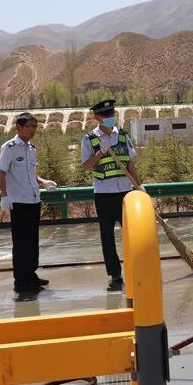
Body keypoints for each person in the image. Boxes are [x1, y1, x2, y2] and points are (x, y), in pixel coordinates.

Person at [80, 99, 141, 292]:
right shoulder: (89, 139)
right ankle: (115, 275)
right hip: (104, 194)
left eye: (111, 114)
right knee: (107, 236)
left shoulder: (122, 135)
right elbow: (87, 166)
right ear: (97, 117)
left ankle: (136, 269)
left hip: (125, 193)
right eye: (105, 115)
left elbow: (130, 164)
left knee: (132, 234)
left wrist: (139, 185)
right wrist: (100, 153)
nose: (110, 118)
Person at [0, 112, 58, 295]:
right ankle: (21, 282)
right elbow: (1, 172)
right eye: (30, 126)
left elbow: (31, 174)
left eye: (35, 126)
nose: (33, 130)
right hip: (19, 201)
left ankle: (31, 275)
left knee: (32, 242)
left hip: (33, 200)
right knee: (21, 244)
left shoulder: (32, 149)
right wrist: (4, 196)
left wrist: (44, 182)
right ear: (19, 127)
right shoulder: (10, 147)